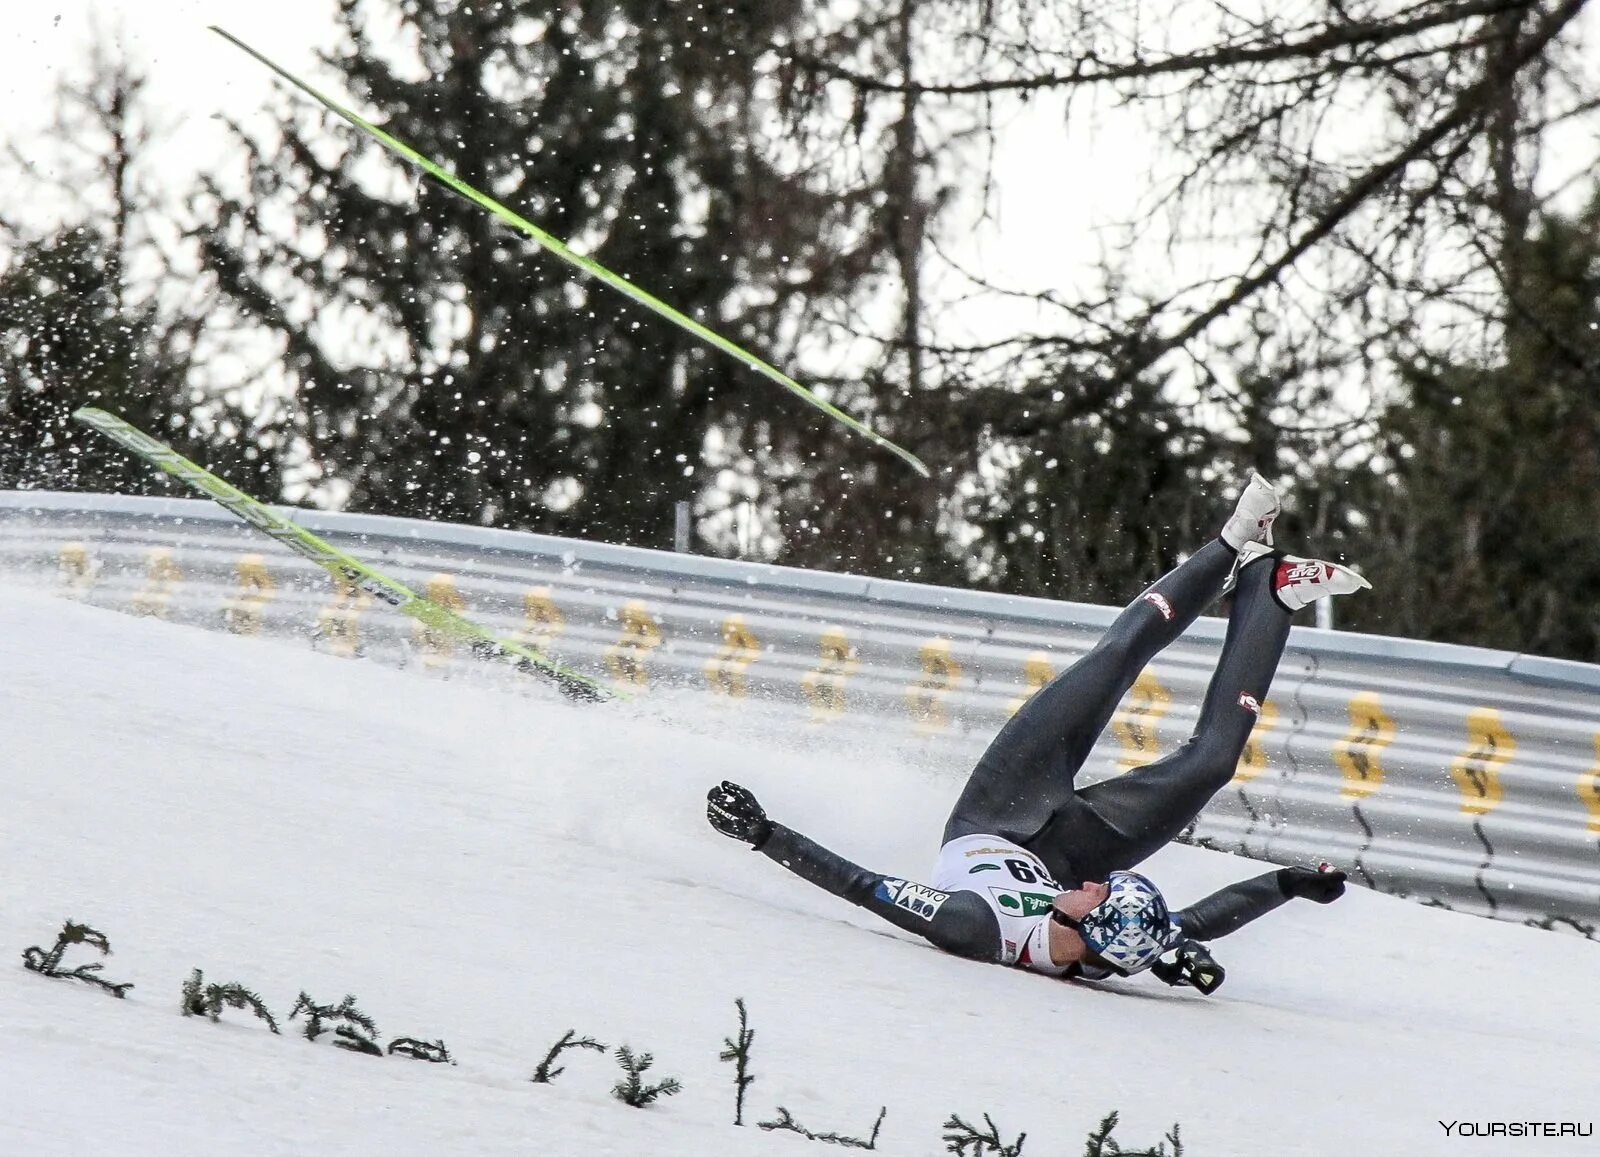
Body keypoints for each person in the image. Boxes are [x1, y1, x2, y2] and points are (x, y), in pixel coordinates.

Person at [705, 477, 1366, 993]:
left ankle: (1229, 549)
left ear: (1081, 927)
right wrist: (1288, 883)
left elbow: (862, 884)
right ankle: (1264, 586)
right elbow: (1196, 921)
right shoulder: (1115, 943)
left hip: (994, 813)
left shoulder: (974, 926)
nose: (1103, 884)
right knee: (1213, 764)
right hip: (1066, 850)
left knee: (1109, 665)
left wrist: (764, 834)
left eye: (1102, 892)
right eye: (1110, 884)